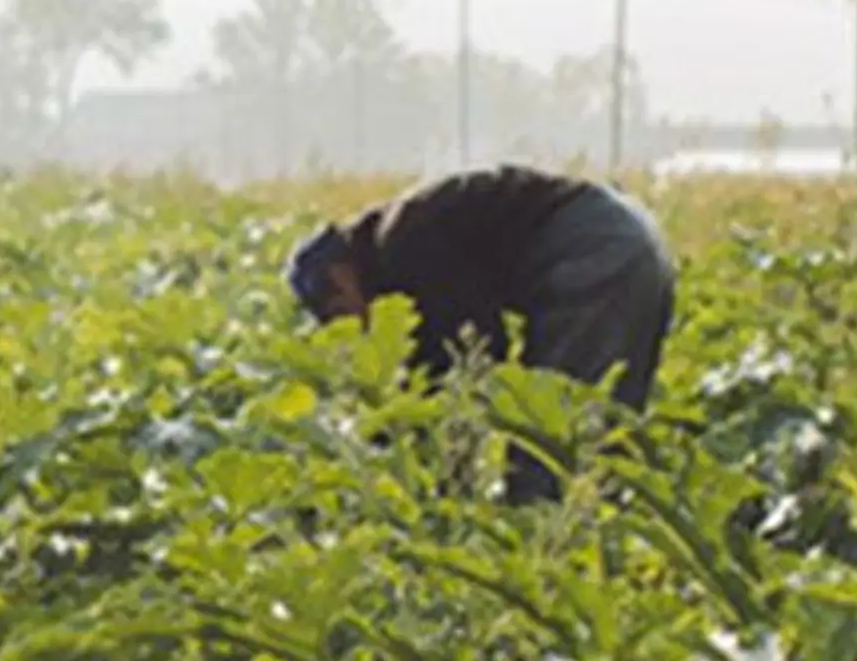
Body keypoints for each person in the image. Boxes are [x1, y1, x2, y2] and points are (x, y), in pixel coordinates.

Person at [286, 167, 675, 488]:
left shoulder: (403, 242)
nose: (352, 326)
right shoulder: (401, 237)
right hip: (630, 236)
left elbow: (476, 348)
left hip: (595, 250)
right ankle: (603, 557)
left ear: (342, 272)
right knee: (600, 436)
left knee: (545, 448)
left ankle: (546, 567)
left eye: (339, 310)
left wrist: (434, 452)